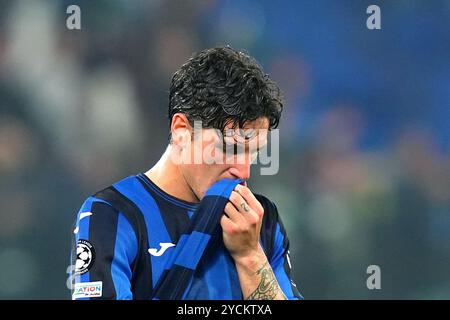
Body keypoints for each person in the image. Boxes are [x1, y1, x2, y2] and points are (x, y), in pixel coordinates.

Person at [70, 46, 302, 300]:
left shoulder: (262, 220)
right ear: (181, 130)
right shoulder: (111, 214)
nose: (243, 170)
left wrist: (250, 256)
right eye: (230, 148)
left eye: (253, 153)